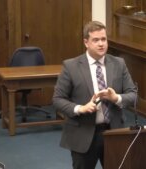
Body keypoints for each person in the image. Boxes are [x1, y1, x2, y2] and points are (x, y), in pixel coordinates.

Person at [52, 21, 137, 169]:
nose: (101, 44)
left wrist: (116, 98)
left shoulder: (119, 63)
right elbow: (57, 99)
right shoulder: (71, 66)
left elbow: (133, 95)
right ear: (86, 42)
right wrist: (80, 108)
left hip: (114, 132)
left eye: (103, 39)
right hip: (83, 133)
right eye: (96, 40)